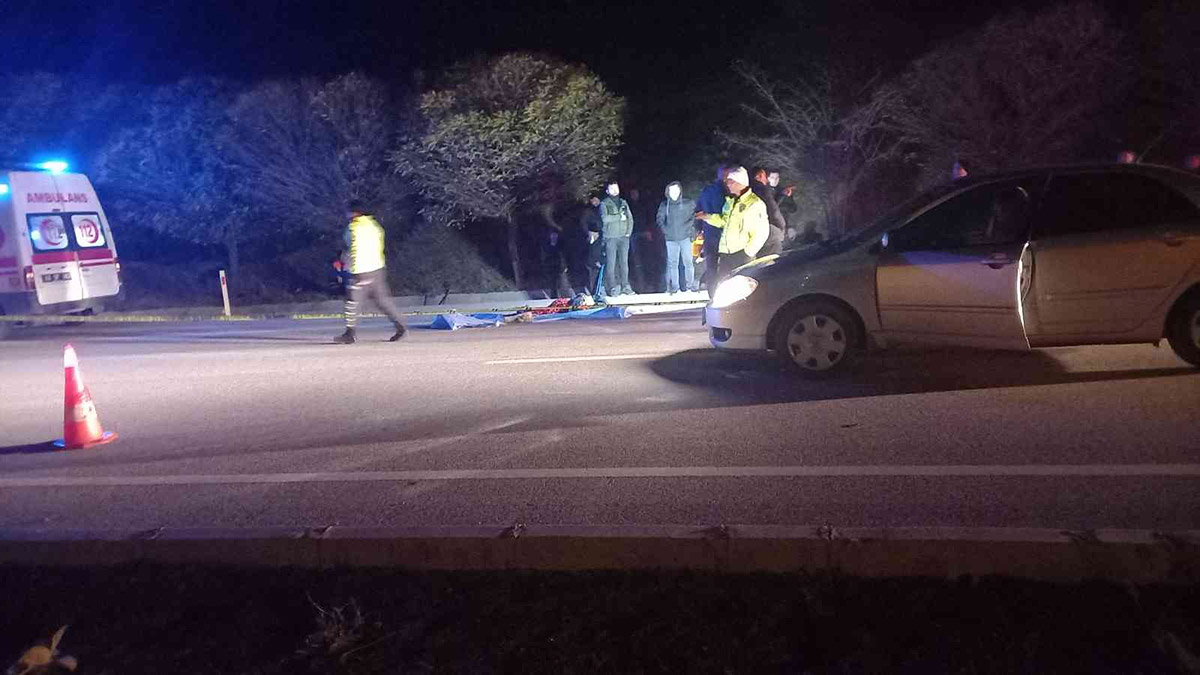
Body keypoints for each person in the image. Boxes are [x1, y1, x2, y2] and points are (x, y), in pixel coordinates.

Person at [334, 200, 407, 344]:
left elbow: (350, 248)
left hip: (361, 270)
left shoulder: (353, 227)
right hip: (378, 268)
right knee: (382, 300)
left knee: (352, 302)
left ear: (354, 212)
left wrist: (344, 265)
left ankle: (350, 334)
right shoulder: (375, 226)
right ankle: (401, 326)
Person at [697, 166, 769, 284]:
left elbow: (762, 232)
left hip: (742, 255)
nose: (728, 185)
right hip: (726, 254)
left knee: (742, 289)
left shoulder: (754, 203)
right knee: (725, 287)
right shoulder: (730, 201)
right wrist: (708, 217)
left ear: (740, 182)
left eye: (731, 182)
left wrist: (748, 252)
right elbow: (724, 221)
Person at [695, 165, 730, 298]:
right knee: (727, 267)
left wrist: (700, 230)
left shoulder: (706, 191)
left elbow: (698, 211)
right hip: (725, 235)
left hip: (710, 234)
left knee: (711, 267)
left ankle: (712, 295)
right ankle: (724, 295)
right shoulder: (728, 192)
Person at [656, 181, 698, 293]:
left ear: (680, 191)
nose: (674, 192)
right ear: (668, 192)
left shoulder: (688, 203)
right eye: (672, 190)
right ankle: (675, 287)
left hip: (685, 238)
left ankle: (690, 286)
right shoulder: (665, 205)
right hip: (671, 239)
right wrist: (666, 231)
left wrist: (689, 229)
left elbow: (694, 217)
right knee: (672, 263)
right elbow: (659, 220)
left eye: (676, 190)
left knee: (688, 262)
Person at [599, 181, 635, 297]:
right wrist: (619, 216)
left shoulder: (623, 202)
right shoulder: (604, 203)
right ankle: (612, 287)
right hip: (610, 237)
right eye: (612, 188)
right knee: (611, 264)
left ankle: (626, 286)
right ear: (607, 191)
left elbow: (630, 218)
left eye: (616, 188)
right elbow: (605, 219)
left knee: (624, 263)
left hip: (624, 237)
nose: (614, 190)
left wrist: (628, 233)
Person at [751, 168, 786, 257]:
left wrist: (782, 195)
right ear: (760, 176)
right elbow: (772, 210)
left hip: (769, 232)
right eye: (770, 177)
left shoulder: (758, 189)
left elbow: (771, 206)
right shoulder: (761, 189)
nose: (769, 179)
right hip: (770, 233)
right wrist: (780, 228)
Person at [581, 195, 607, 300]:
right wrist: (589, 233)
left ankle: (600, 288)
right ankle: (593, 289)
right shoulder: (588, 212)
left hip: (602, 238)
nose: (595, 202)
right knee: (592, 264)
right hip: (593, 238)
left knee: (600, 263)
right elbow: (583, 223)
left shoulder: (601, 209)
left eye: (597, 199)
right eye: (593, 200)